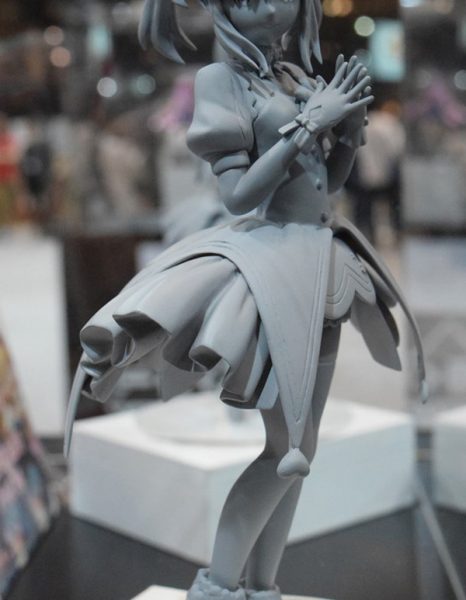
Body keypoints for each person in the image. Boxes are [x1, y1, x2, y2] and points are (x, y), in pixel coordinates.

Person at [65, 1, 426, 599]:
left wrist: (347, 131)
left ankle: (262, 585)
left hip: (323, 259)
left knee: (301, 449)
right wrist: (309, 124)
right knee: (283, 447)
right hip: (274, 265)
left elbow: (330, 182)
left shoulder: (293, 74)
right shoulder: (220, 80)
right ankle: (216, 585)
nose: (270, 5)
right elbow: (238, 195)